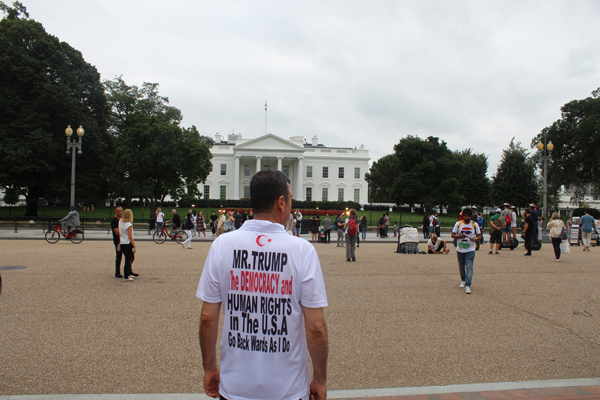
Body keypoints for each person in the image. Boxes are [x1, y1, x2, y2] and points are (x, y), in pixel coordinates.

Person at [197, 169, 328, 400]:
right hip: (287, 389)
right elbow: (315, 328)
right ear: (281, 202)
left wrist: (209, 368)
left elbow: (208, 318)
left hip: (235, 387)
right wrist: (319, 379)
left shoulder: (222, 245)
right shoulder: (302, 250)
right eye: (289, 199)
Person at [451, 208, 482, 294]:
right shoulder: (458, 224)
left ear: (471, 216)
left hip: (470, 249)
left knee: (469, 267)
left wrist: (475, 239)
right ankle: (463, 280)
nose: (467, 217)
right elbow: (452, 235)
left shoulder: (474, 225)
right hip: (460, 249)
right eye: (465, 216)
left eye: (468, 216)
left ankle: (468, 284)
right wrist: (459, 236)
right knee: (461, 267)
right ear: (463, 216)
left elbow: (480, 236)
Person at [119, 209, 137, 282]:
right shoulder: (129, 225)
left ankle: (128, 273)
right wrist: (134, 245)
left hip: (122, 243)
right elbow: (130, 236)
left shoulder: (120, 222)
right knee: (128, 260)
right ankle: (126, 276)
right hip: (127, 243)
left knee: (127, 259)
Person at [111, 207, 124, 278]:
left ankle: (129, 270)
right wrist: (124, 235)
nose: (120, 212)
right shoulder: (114, 220)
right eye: (118, 211)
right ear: (115, 212)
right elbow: (117, 232)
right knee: (119, 256)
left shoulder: (123, 219)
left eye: (121, 211)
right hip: (118, 241)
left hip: (125, 240)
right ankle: (117, 272)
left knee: (129, 256)